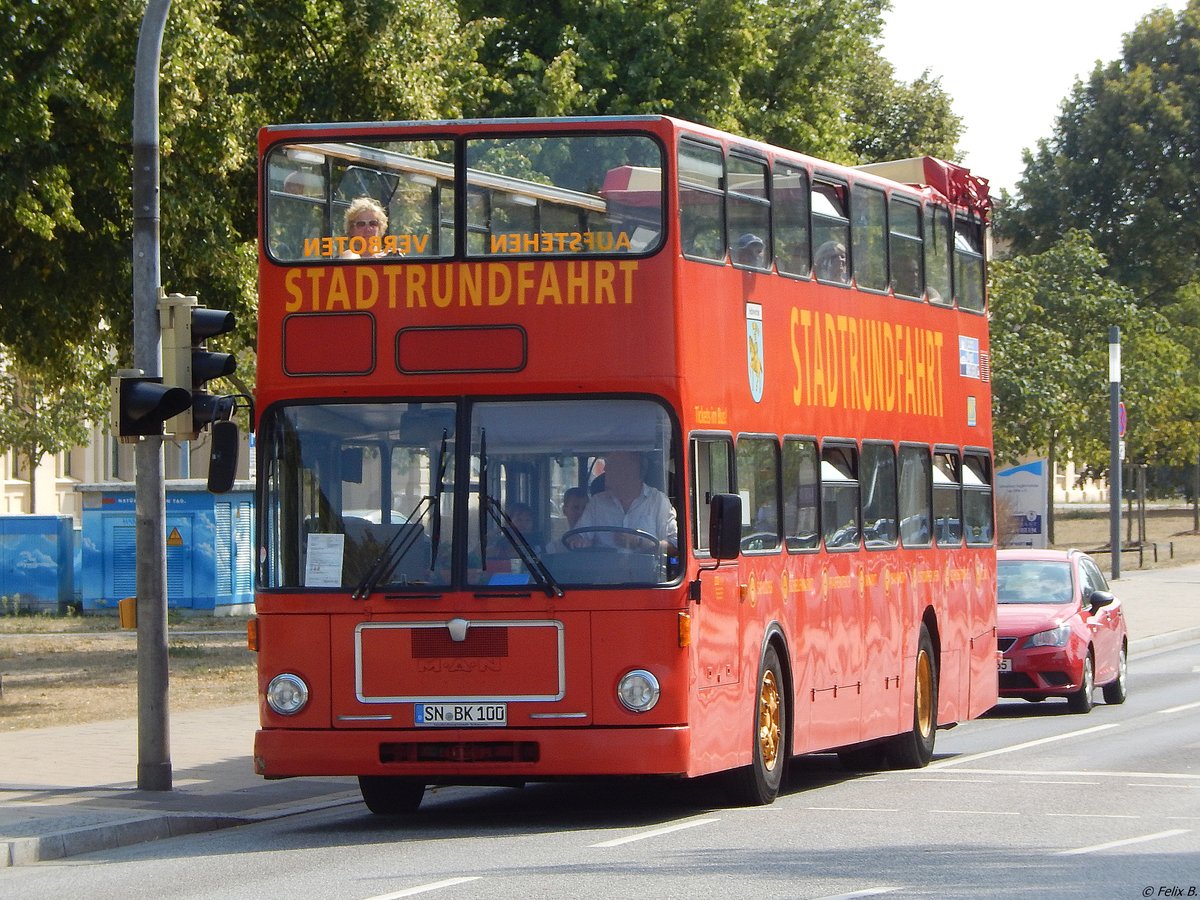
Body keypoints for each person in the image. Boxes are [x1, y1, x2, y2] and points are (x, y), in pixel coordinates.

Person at [568, 451, 677, 553]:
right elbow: (578, 536)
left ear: (632, 472)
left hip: (646, 566)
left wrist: (640, 542)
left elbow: (675, 545)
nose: (605, 469)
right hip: (603, 566)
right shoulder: (597, 503)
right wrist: (579, 542)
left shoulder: (658, 501)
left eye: (612, 465)